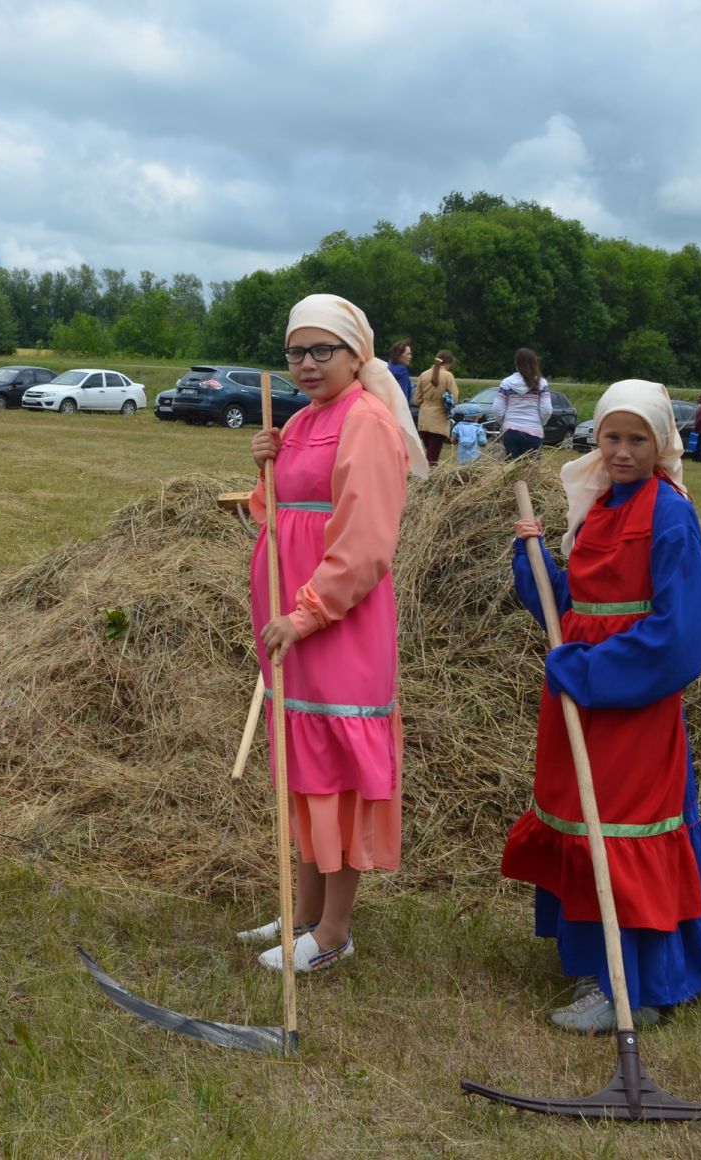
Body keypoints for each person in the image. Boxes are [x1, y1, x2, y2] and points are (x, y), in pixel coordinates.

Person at [502, 379, 701, 1033]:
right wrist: (538, 570)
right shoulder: (600, 506)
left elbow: (679, 636)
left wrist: (590, 668)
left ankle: (636, 987)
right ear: (596, 438)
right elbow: (578, 601)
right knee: (581, 818)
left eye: (638, 440)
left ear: (661, 444)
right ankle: (594, 961)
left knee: (628, 825)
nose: (623, 451)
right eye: (612, 437)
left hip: (631, 700)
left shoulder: (669, 513)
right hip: (579, 695)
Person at [241, 293, 428, 973]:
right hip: (292, 623)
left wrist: (309, 610)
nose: (309, 364)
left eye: (325, 351)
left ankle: (334, 932)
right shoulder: (302, 419)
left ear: (358, 355)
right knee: (303, 768)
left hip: (335, 623)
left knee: (339, 776)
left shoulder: (368, 423)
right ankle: (302, 915)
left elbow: (367, 542)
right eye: (298, 352)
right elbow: (275, 515)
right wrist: (264, 461)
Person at [494, 348, 551, 459]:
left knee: (510, 470)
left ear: (516, 363)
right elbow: (547, 410)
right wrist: (540, 422)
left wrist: (504, 422)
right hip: (533, 432)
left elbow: (497, 408)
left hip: (510, 431)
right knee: (530, 472)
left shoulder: (507, 382)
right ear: (534, 363)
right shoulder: (541, 383)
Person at [412, 349, 458, 467]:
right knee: (433, 458)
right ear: (448, 363)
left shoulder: (423, 374)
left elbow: (416, 399)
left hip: (424, 418)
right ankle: (429, 479)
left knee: (429, 452)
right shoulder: (448, 376)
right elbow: (454, 397)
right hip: (439, 418)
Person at [387, 338, 415, 407]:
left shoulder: (387, 367)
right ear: (399, 355)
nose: (410, 357)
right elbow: (404, 394)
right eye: (408, 354)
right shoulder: (402, 370)